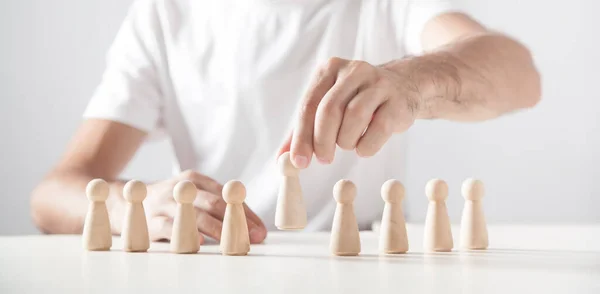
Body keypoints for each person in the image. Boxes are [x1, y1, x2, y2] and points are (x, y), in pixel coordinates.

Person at [30, 0, 540, 245]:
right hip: (216, 266)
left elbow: (520, 74)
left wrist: (413, 81)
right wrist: (131, 206)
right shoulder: (166, 14)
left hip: (362, 268)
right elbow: (54, 195)